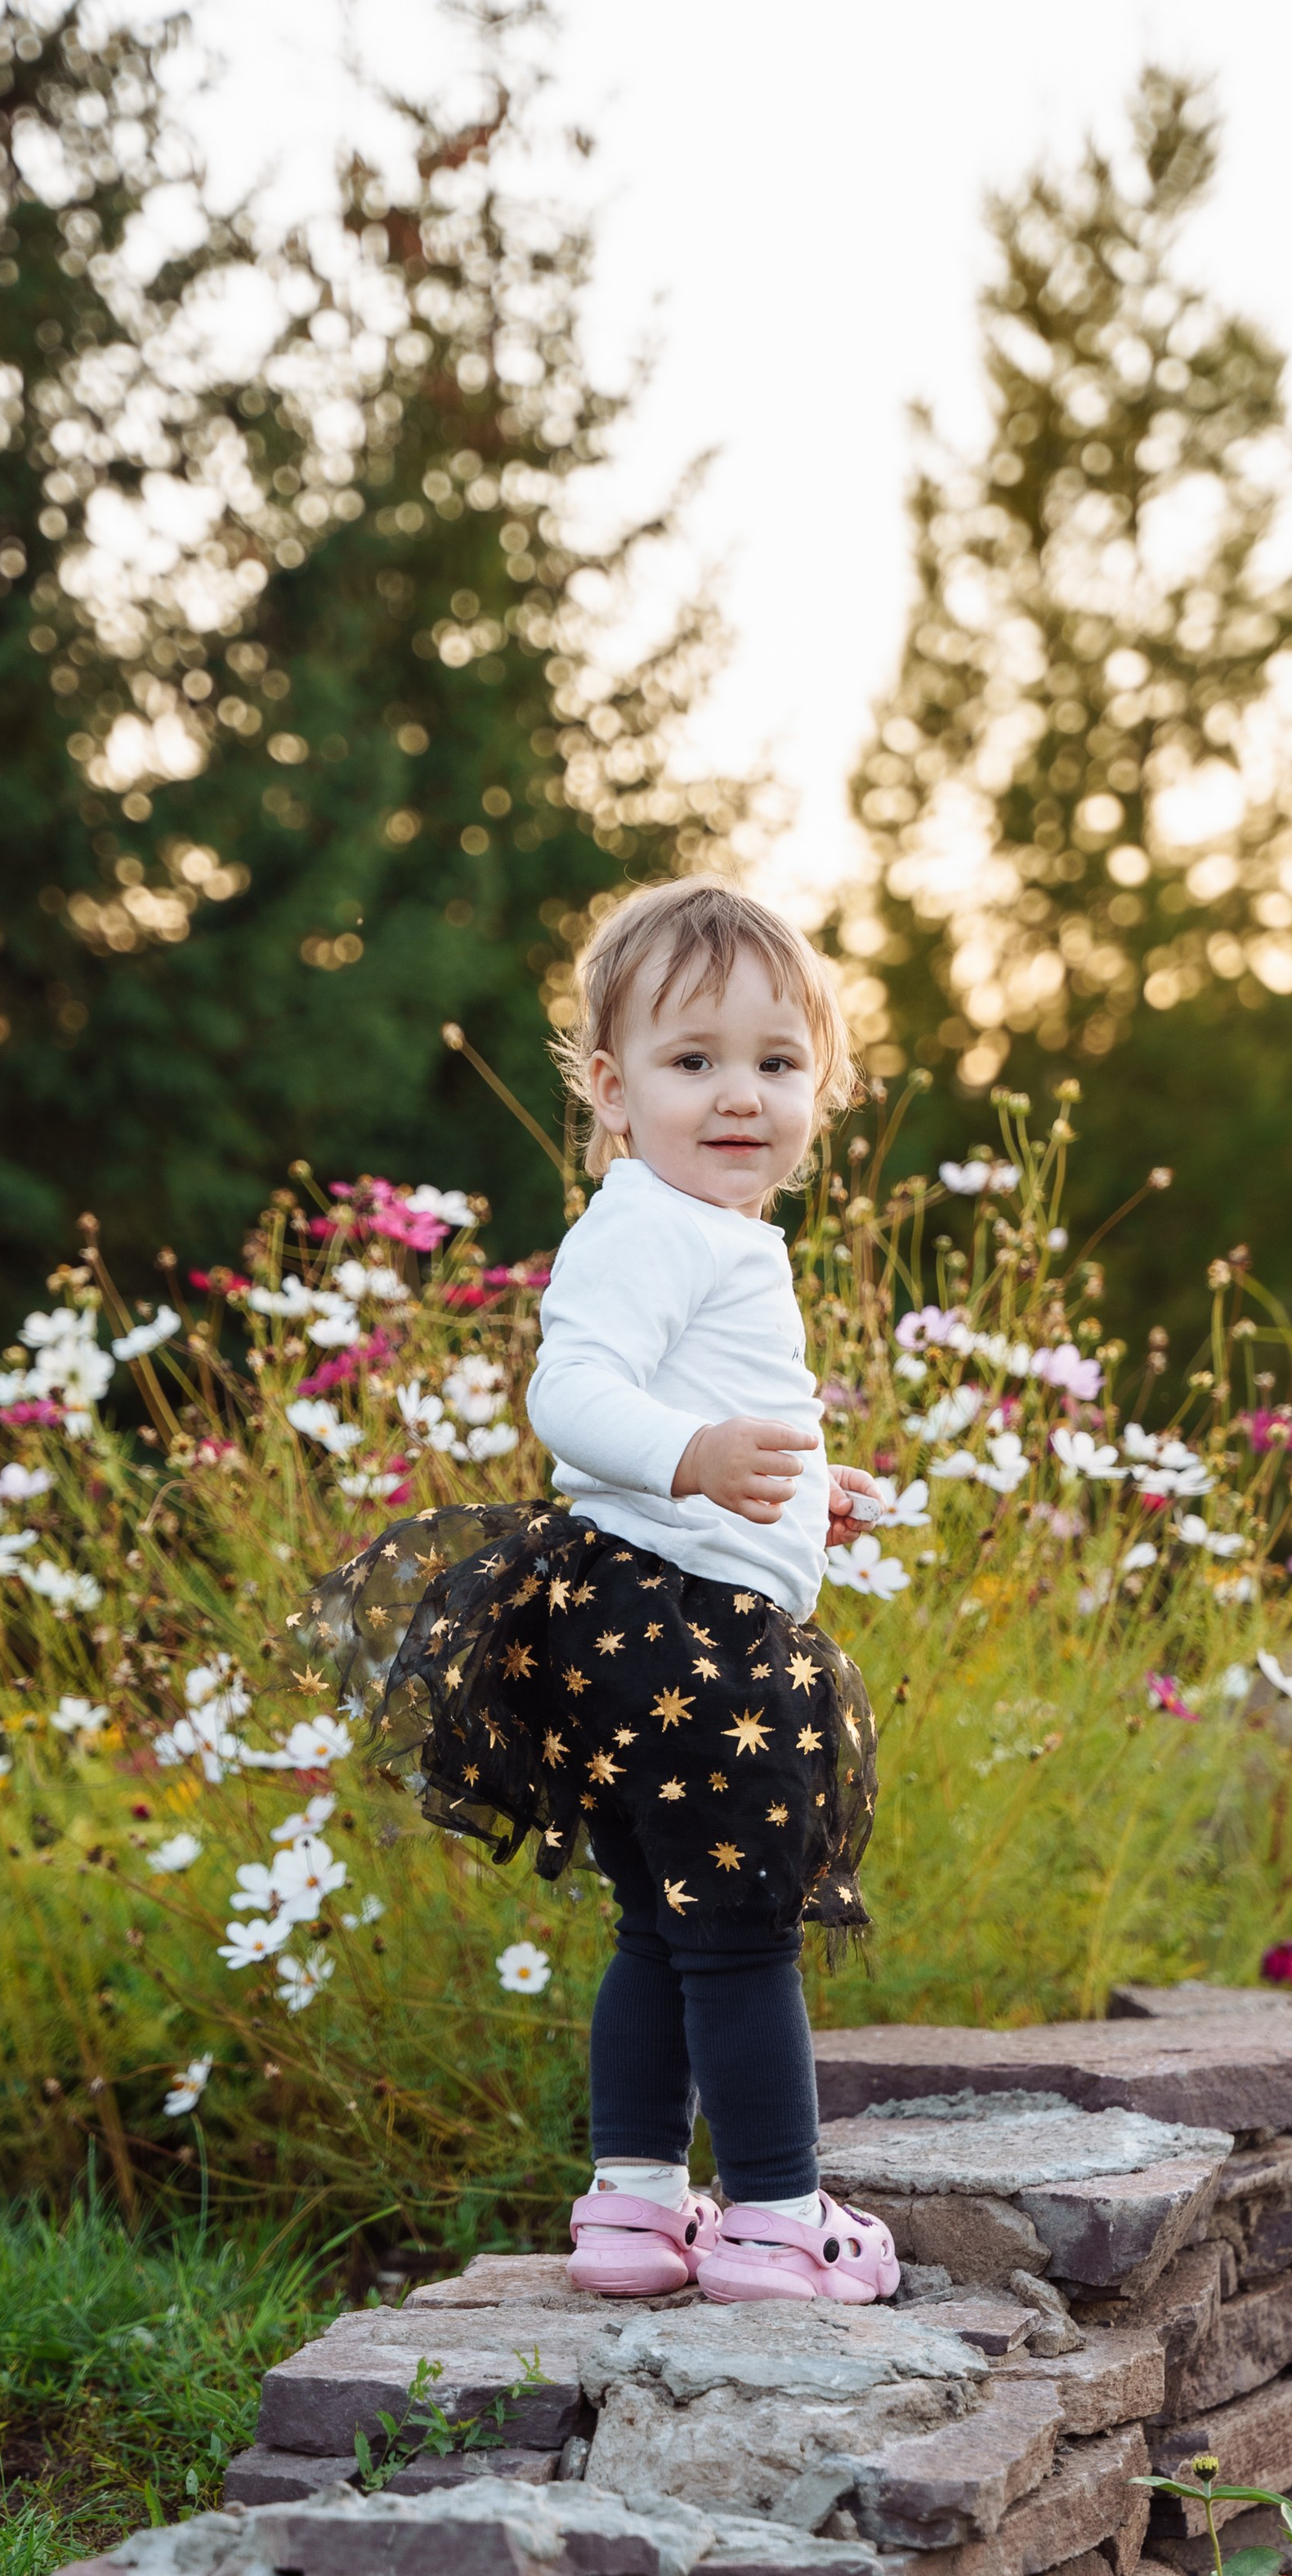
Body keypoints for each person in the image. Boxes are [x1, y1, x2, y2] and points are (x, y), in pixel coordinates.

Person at [304, 874, 900, 2305]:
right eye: (693, 1062)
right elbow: (571, 1391)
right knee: (744, 1930)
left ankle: (633, 2208)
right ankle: (771, 2217)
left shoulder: (706, 1230)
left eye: (776, 1061)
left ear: (824, 1083)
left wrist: (813, 1482)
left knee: (663, 1919)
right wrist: (695, 1456)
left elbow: (705, 1401)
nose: (739, 1094)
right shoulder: (649, 1225)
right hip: (682, 1633)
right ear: (611, 1088)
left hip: (633, 1621)